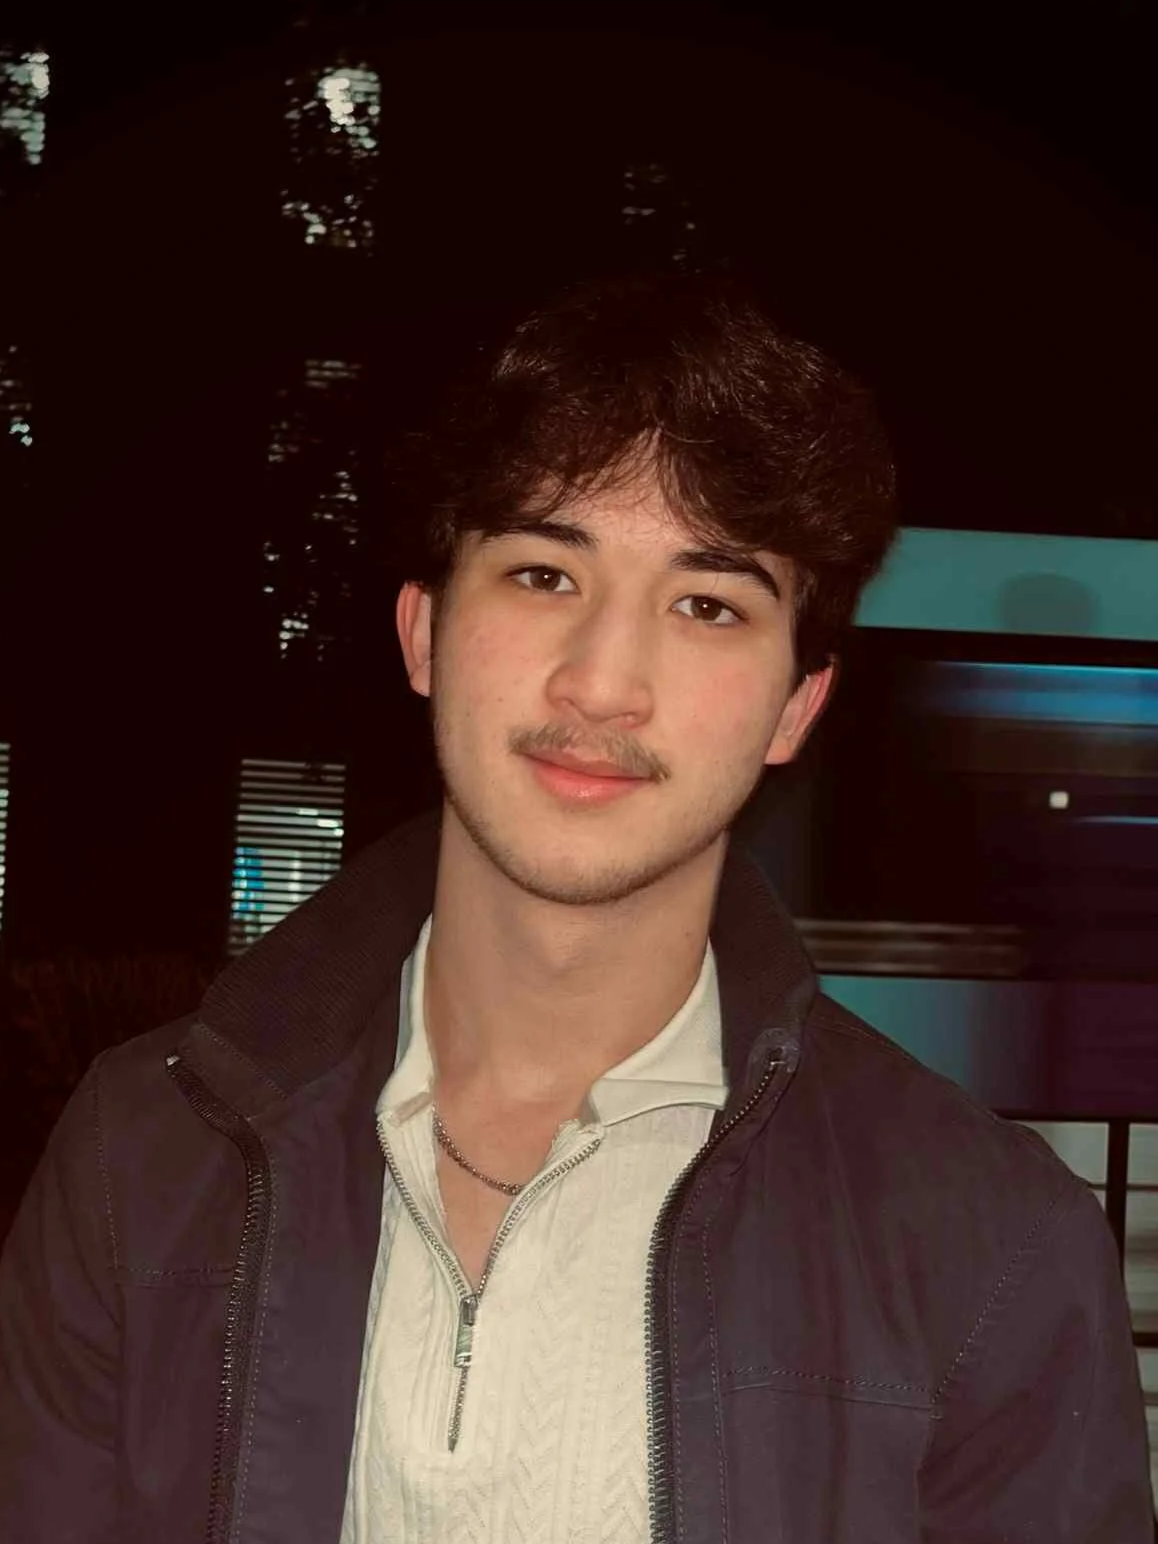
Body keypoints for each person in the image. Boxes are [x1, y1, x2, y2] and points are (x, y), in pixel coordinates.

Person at [0, 273, 1151, 1543]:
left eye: (707, 604)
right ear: (425, 632)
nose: (603, 682)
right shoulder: (141, 1154)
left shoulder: (995, 1247)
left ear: (796, 705)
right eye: (545, 574)